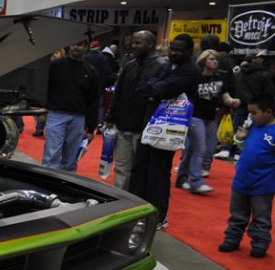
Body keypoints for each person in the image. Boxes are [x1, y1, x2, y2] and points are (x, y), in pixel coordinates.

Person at [129, 33, 201, 229]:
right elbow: (142, 88)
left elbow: (162, 90)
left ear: (189, 51)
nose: (174, 53)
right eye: (172, 48)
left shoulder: (191, 71)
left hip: (171, 128)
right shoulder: (165, 66)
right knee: (140, 168)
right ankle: (135, 209)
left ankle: (158, 215)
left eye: (179, 50)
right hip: (151, 123)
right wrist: (157, 89)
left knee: (158, 172)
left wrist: (156, 89)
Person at [105, 31, 166, 190]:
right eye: (133, 42)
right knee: (121, 167)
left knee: (141, 169)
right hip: (123, 125)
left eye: (138, 43)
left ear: (150, 44)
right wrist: (111, 117)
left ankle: (137, 202)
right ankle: (119, 200)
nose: (133, 45)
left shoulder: (161, 66)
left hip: (145, 129)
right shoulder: (130, 65)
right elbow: (118, 93)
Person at [219, 93, 275, 258]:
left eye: (254, 113)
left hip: (263, 185)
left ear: (269, 112)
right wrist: (240, 139)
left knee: (261, 217)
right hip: (241, 181)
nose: (251, 116)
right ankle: (232, 239)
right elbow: (246, 151)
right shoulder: (252, 127)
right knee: (237, 214)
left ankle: (259, 243)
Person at [176, 49, 234, 191]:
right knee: (200, 149)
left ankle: (182, 178)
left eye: (216, 59)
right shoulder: (195, 78)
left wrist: (235, 102)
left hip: (211, 117)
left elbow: (226, 97)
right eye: (211, 59)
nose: (215, 62)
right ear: (203, 61)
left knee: (194, 149)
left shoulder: (219, 78)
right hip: (195, 116)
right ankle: (196, 181)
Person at [41, 40, 99, 172]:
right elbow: (45, 88)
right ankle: (48, 185)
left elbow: (93, 100)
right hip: (56, 114)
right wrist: (42, 111)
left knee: (71, 159)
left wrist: (91, 128)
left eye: (79, 45)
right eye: (73, 44)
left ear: (85, 47)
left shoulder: (90, 71)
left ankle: (66, 186)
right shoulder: (56, 66)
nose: (75, 48)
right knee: (51, 156)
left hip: (78, 118)